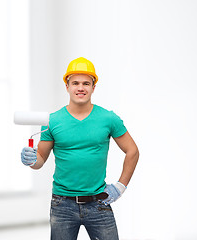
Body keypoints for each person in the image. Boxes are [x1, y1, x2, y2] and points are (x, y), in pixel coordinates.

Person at [21, 57, 139, 240]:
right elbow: (40, 160)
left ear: (93, 87)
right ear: (67, 86)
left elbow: (132, 151)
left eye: (86, 83)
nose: (80, 88)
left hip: (99, 202)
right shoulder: (52, 121)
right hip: (62, 205)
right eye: (75, 83)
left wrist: (120, 187)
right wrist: (31, 159)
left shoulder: (109, 118)